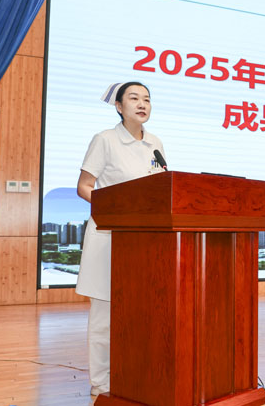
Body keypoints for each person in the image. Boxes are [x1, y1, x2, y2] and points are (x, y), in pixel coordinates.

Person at [75, 81, 166, 396]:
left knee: (141, 311)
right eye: (134, 98)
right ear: (118, 106)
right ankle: (101, 382)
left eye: (147, 99)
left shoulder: (155, 144)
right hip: (109, 236)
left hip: (146, 240)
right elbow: (84, 186)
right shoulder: (105, 140)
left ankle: (135, 372)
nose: (142, 104)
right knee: (105, 313)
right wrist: (115, 209)